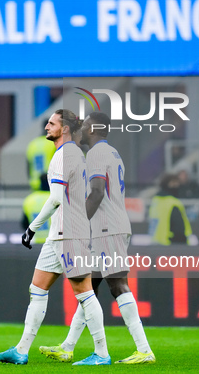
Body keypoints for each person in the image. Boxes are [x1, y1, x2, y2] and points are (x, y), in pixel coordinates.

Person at [0, 109, 110, 366]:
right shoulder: (75, 153)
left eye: (52, 123)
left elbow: (56, 197)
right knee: (37, 289)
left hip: (70, 234)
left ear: (64, 128)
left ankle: (102, 354)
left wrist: (32, 227)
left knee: (84, 293)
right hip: (60, 233)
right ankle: (21, 350)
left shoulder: (64, 155)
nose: (46, 126)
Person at [39, 112, 156, 365]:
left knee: (118, 285)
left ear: (94, 128)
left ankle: (144, 349)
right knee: (89, 288)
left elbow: (97, 192)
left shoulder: (96, 154)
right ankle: (68, 347)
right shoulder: (112, 153)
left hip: (106, 229)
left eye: (86, 123)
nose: (82, 126)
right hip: (108, 227)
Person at [148, 173, 192, 245]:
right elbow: (178, 228)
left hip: (155, 244)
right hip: (170, 246)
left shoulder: (155, 200)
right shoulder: (173, 203)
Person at [26, 120, 57, 191]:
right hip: (51, 184)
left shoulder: (32, 144)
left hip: (35, 185)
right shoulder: (54, 144)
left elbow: (28, 166)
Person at [21, 174, 51, 244]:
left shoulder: (29, 199)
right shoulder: (55, 199)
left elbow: (24, 224)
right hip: (53, 241)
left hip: (35, 241)